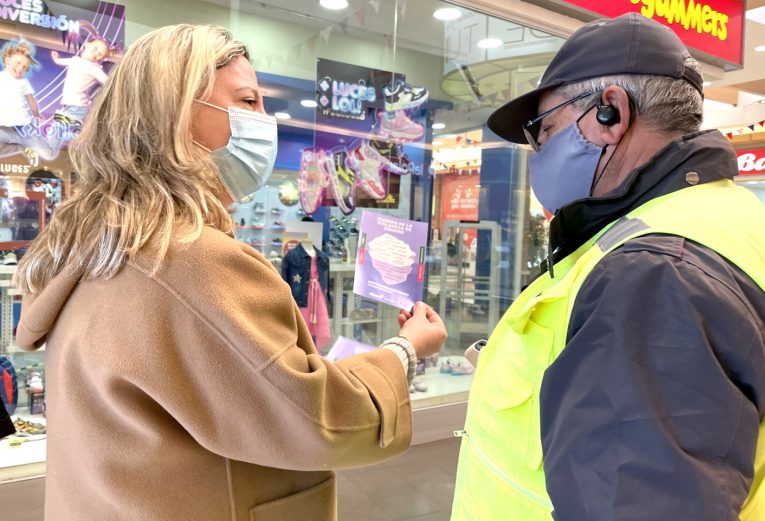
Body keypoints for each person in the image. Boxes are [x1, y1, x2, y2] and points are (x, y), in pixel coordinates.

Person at [13, 24, 447, 521]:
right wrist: (405, 350)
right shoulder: (190, 260)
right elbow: (318, 419)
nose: (266, 120)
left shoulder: (92, 246)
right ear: (175, 114)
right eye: (247, 101)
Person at [451, 13, 765, 521]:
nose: (539, 153)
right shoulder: (725, 217)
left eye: (544, 130)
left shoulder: (653, 276)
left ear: (610, 113)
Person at [47, 38, 110, 151]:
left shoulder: (93, 68)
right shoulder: (75, 60)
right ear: (87, 44)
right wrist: (56, 59)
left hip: (77, 107)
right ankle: (85, 138)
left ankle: (50, 149)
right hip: (70, 107)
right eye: (95, 48)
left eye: (101, 54)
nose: (97, 54)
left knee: (57, 129)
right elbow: (62, 61)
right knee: (60, 129)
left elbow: (108, 82)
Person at [0, 41, 56, 167]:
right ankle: (22, 148)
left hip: (24, 128)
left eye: (25, 67)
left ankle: (56, 130)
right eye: (18, 63)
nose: (21, 68)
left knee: (49, 155)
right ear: (8, 60)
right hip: (3, 128)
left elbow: (30, 99)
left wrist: (36, 114)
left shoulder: (23, 81)